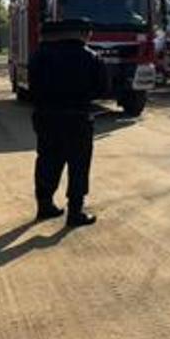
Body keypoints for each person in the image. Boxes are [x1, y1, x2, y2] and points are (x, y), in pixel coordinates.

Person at [31, 18, 108, 227]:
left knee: (47, 160)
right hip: (78, 118)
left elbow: (32, 87)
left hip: (46, 116)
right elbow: (102, 89)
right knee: (78, 165)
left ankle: (45, 205)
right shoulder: (91, 57)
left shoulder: (39, 56)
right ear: (82, 33)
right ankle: (75, 212)